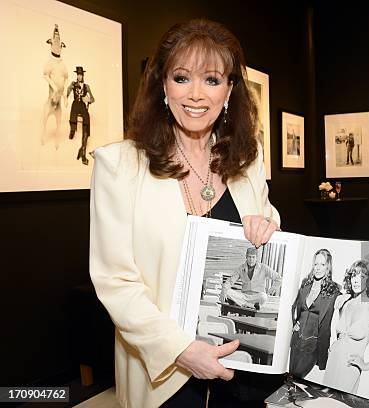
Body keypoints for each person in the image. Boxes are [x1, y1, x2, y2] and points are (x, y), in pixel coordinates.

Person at [89, 18, 282, 408]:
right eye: (182, 78)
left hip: (242, 369)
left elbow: (267, 219)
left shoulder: (248, 160)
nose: (196, 95)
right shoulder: (119, 166)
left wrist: (269, 225)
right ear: (162, 84)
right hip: (166, 377)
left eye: (212, 80)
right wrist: (180, 350)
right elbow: (116, 282)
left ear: (229, 90)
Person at [323, 259, 369, 394]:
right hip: (332, 362)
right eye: (353, 275)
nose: (356, 280)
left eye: (361, 276)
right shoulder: (345, 303)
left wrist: (366, 365)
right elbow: (341, 335)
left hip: (349, 368)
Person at [289, 249, 341, 378]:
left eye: (322, 265)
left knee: (297, 377)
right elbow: (294, 305)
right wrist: (294, 323)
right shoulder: (305, 283)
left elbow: (348, 302)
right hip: (296, 341)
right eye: (316, 264)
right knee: (290, 377)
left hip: (313, 345)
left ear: (328, 267)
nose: (318, 268)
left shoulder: (334, 290)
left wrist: (347, 296)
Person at [42, 24, 67, 147]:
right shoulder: (49, 63)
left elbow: (66, 78)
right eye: (54, 41)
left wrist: (65, 97)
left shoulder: (62, 65)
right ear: (51, 43)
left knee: (58, 123)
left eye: (59, 43)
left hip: (59, 104)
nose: (57, 44)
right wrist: (54, 87)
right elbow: (45, 75)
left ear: (62, 45)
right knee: (45, 120)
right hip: (50, 100)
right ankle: (42, 135)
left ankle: (57, 141)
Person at [66, 66, 95, 165]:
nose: (79, 76)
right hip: (75, 104)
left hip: (82, 105)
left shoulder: (86, 86)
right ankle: (72, 129)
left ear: (83, 76)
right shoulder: (73, 84)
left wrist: (88, 100)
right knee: (73, 111)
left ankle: (83, 150)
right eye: (78, 75)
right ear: (76, 75)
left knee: (87, 119)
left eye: (81, 75)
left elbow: (92, 99)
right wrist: (70, 88)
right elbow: (67, 93)